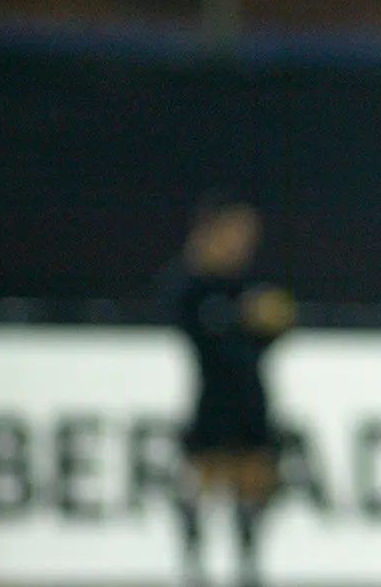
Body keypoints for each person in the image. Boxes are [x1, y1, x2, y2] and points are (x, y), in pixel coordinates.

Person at [155, 189, 295, 587]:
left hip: (252, 396)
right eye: (235, 231)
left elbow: (275, 328)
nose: (243, 240)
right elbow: (193, 323)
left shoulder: (253, 281)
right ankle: (192, 565)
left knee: (256, 479)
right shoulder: (191, 282)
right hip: (213, 396)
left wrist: (270, 322)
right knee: (201, 477)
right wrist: (240, 317)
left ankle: (247, 565)